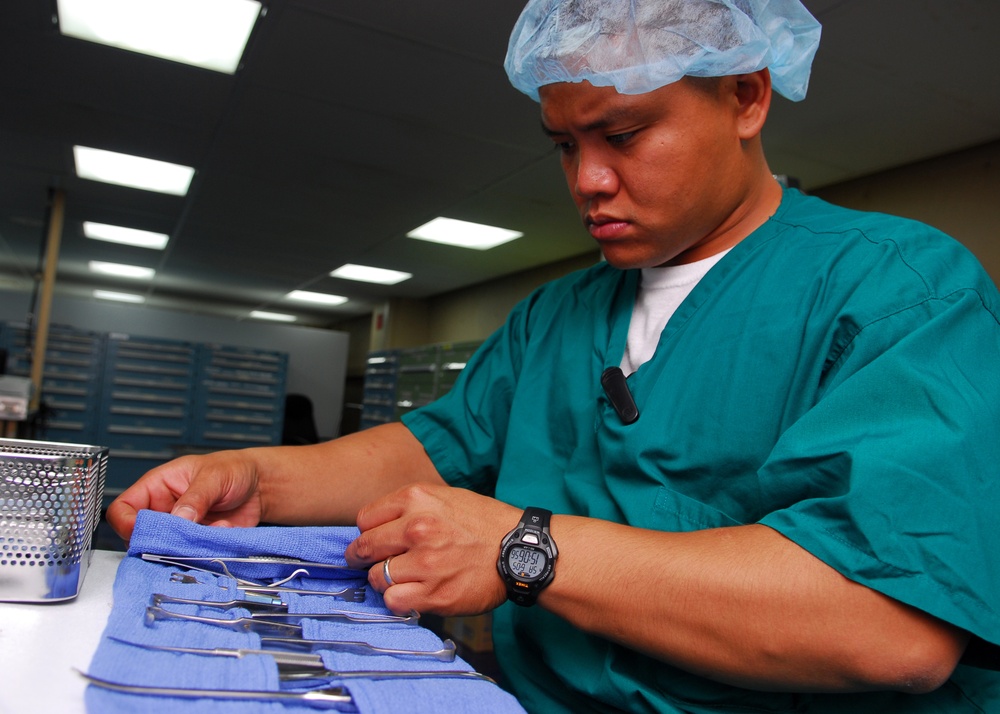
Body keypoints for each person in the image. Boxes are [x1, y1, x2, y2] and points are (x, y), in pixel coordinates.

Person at [108, 0, 1000, 711]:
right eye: (566, 145)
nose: (587, 181)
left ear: (747, 97)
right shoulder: (557, 317)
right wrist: (258, 479)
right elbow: (435, 446)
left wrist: (521, 549)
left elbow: (891, 630)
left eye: (622, 135)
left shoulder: (899, 292)